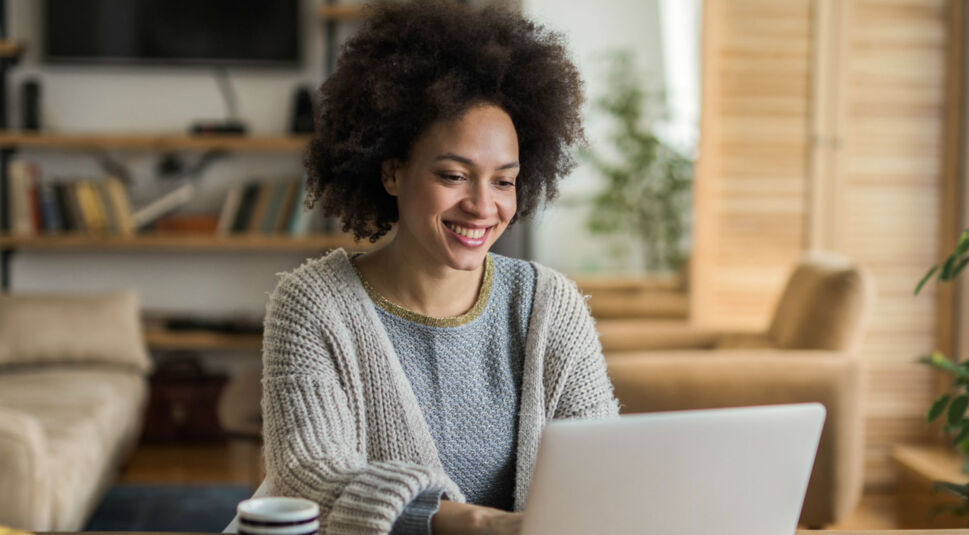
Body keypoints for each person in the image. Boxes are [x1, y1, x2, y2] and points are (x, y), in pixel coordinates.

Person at [237, 1, 620, 534]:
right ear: (392, 173)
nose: (483, 206)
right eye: (453, 175)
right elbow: (309, 476)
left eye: (503, 181)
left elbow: (602, 465)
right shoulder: (314, 303)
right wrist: (481, 524)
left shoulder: (550, 305)